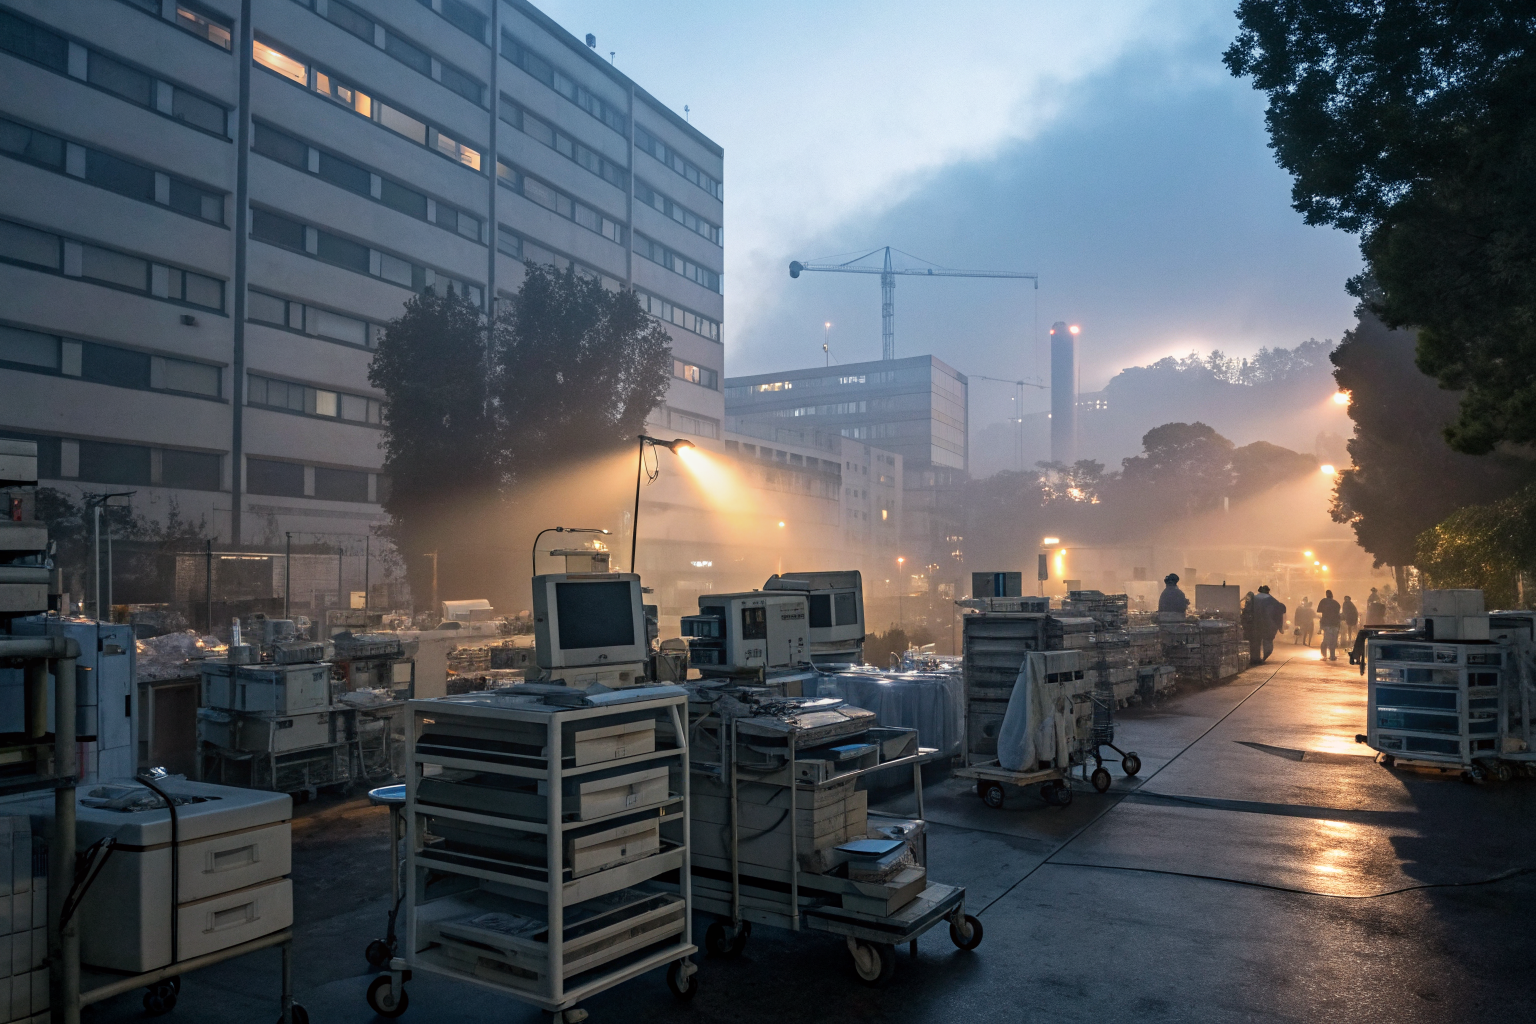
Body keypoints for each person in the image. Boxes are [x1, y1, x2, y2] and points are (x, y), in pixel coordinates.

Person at [1252, 585, 1286, 663]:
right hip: (1269, 626)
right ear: (1268, 591)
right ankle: (1264, 657)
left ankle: (1255, 658)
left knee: (1256, 642)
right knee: (1268, 642)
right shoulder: (1273, 601)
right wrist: (1280, 627)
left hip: (1255, 625)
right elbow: (1278, 615)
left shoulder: (1254, 599)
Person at [1317, 590, 1342, 661]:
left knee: (1326, 640)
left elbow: (1319, 611)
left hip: (1327, 624)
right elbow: (1338, 614)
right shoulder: (1336, 603)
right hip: (1335, 624)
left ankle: (1324, 655)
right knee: (1333, 641)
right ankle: (1332, 656)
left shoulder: (1323, 601)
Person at [1241, 591, 1261, 665]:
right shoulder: (1255, 605)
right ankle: (1255, 658)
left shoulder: (1249, 605)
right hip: (1253, 628)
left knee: (1252, 644)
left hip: (1250, 628)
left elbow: (1246, 615)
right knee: (1254, 644)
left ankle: (1253, 659)